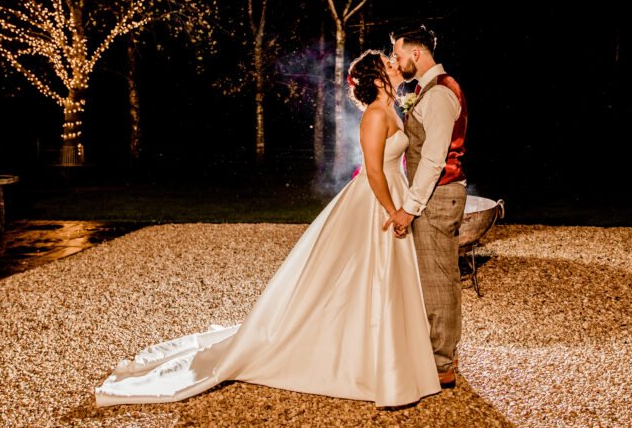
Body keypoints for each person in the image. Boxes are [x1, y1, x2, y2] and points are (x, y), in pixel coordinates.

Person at [94, 50, 440, 408]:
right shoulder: (374, 116)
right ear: (377, 77)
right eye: (388, 63)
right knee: (371, 275)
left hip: (393, 194)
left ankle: (393, 359)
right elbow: (372, 171)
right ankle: (373, 364)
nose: (395, 65)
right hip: (376, 202)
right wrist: (392, 210)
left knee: (385, 279)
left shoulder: (393, 109)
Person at [385, 26, 468, 389]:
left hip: (439, 194)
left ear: (416, 55)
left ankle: (442, 363)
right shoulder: (428, 91)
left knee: (439, 279)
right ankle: (437, 353)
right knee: (433, 276)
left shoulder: (439, 94)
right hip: (435, 194)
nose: (396, 61)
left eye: (398, 54)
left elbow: (434, 160)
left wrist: (409, 208)